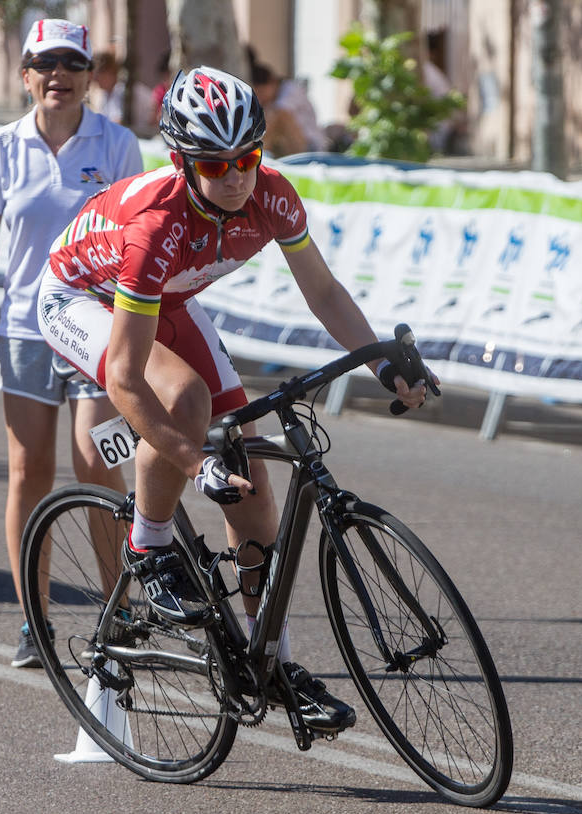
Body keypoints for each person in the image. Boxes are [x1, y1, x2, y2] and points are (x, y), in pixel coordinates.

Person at [36, 67, 427, 734]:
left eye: (246, 157)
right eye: (215, 165)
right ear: (181, 162)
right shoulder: (152, 227)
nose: (235, 176)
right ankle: (150, 547)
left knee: (251, 489)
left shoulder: (271, 197)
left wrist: (383, 361)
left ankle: (267, 660)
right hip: (82, 299)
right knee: (183, 400)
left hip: (168, 299)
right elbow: (128, 378)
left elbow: (325, 294)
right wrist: (192, 462)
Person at [0, 19, 144, 668]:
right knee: (27, 474)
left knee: (95, 464)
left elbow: (137, 247)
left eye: (72, 62)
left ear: (91, 76)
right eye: (44, 62)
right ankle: (35, 622)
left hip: (95, 328)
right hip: (26, 331)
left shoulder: (116, 146)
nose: (58, 74)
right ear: (26, 74)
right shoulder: (2, 147)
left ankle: (118, 612)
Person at [250, 59, 328, 156]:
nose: (260, 98)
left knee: (279, 116)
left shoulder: (291, 89)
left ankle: (254, 154)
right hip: (288, 147)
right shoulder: (271, 101)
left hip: (311, 147)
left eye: (261, 92)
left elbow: (280, 113)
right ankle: (258, 153)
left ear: (272, 82)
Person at [92, 49, 155, 134]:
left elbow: (117, 124)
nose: (95, 80)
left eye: (97, 75)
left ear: (109, 72)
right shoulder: (106, 94)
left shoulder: (124, 90)